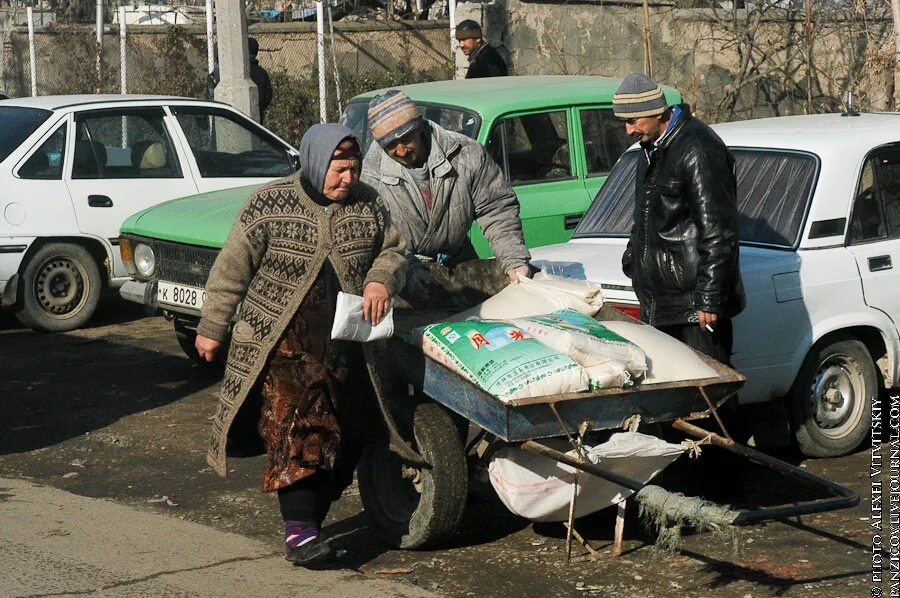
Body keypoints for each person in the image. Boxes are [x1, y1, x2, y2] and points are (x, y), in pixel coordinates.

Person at [194, 123, 406, 567]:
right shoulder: (269, 204)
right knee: (299, 430)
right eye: (339, 169)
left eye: (354, 168)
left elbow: (394, 249)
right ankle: (301, 532)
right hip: (280, 346)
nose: (348, 179)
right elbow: (232, 269)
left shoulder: (369, 204)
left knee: (352, 435)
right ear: (314, 162)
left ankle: (308, 519)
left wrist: (380, 280)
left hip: (345, 348)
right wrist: (213, 326)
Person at [615, 73, 745, 365]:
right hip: (662, 301)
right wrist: (633, 259)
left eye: (633, 121)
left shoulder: (698, 149)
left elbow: (719, 231)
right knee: (678, 391)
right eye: (624, 121)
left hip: (694, 305)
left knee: (711, 393)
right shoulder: (651, 149)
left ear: (658, 112)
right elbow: (646, 215)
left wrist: (709, 298)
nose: (628, 130)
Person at [360, 89, 530, 306]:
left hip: (460, 264)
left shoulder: (465, 154)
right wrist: (409, 270)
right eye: (391, 146)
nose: (401, 150)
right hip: (405, 276)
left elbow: (496, 209)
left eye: (406, 139)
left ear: (418, 127)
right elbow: (377, 241)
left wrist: (513, 259)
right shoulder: (370, 177)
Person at [206, 37, 274, 124]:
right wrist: (258, 107)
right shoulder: (262, 72)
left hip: (230, 119)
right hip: (256, 119)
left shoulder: (232, 70)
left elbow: (212, 95)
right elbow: (268, 95)